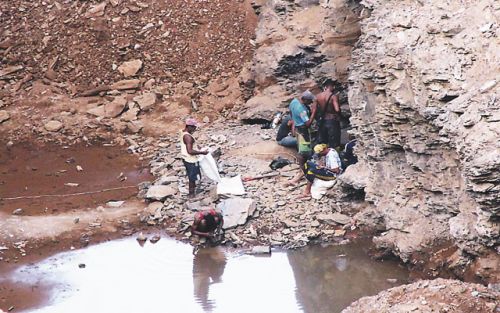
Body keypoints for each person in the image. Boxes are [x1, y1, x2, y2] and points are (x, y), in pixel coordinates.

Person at [286, 90, 316, 185]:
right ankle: (303, 170)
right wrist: (314, 112)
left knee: (301, 147)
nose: (311, 103)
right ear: (304, 99)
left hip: (298, 128)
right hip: (303, 130)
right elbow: (307, 123)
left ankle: (303, 168)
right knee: (304, 150)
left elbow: (290, 112)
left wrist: (294, 120)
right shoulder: (301, 110)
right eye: (309, 101)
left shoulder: (294, 101)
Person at [180, 118, 208, 197]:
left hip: (185, 158)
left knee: (191, 175)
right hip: (191, 159)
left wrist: (198, 147)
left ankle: (193, 189)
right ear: (189, 127)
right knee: (192, 177)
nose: (195, 129)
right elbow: (190, 151)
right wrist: (202, 152)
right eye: (194, 127)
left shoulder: (183, 132)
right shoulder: (188, 137)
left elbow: (190, 145)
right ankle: (191, 194)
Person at [315, 78, 341, 150]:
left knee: (323, 141)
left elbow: (314, 110)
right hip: (332, 120)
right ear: (332, 86)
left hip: (323, 121)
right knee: (333, 142)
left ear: (325, 86)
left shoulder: (318, 96)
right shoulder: (333, 96)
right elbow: (337, 109)